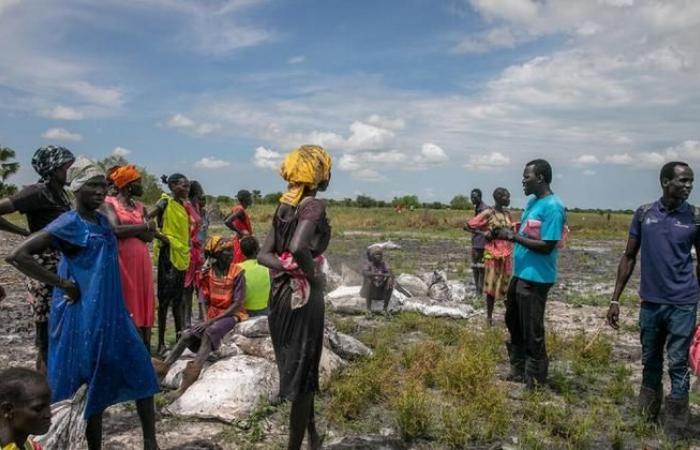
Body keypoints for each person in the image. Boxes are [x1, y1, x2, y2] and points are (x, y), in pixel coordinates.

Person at [6, 157, 159, 450]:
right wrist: (62, 283)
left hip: (112, 310)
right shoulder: (69, 223)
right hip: (83, 316)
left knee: (142, 372)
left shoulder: (102, 221)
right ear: (76, 188)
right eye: (92, 186)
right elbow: (18, 255)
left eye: (103, 185)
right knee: (90, 388)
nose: (100, 191)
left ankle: (151, 443)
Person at [607, 161, 699, 440]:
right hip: (650, 302)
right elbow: (629, 256)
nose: (688, 186)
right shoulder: (645, 214)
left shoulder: (695, 217)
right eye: (682, 181)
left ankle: (676, 425)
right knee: (650, 360)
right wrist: (615, 300)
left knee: (678, 362)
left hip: (683, 303)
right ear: (665, 182)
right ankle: (646, 415)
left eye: (691, 181)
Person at [258, 145, 331, 450]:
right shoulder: (312, 206)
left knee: (299, 367)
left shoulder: (284, 207)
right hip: (302, 298)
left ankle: (312, 435)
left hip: (279, 295)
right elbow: (301, 246)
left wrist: (287, 267)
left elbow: (263, 255)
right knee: (302, 374)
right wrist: (312, 276)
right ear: (319, 175)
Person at [153, 235, 270, 395]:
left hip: (232, 314)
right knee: (187, 335)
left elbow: (237, 303)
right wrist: (206, 319)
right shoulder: (207, 273)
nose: (230, 254)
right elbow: (203, 299)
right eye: (225, 251)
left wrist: (210, 322)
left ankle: (190, 378)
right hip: (214, 314)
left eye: (231, 250)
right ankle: (165, 366)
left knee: (209, 333)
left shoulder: (237, 272)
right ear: (216, 255)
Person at [0, 145, 75, 371]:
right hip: (41, 266)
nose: (69, 172)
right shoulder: (36, 192)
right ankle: (44, 384)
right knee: (47, 331)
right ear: (52, 169)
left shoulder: (61, 193)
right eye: (65, 167)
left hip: (59, 263)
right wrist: (23, 233)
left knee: (59, 327)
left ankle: (52, 382)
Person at [494, 160, 565, 389]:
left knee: (532, 329)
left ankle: (536, 380)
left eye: (527, 177)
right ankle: (518, 370)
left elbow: (547, 245)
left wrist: (512, 238)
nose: (523, 181)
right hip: (521, 273)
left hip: (537, 278)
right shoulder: (533, 202)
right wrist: (508, 232)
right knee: (513, 320)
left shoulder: (553, 207)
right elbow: (527, 231)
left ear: (540, 178)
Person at [101, 165, 157, 352]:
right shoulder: (109, 203)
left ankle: (144, 348)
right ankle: (127, 346)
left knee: (143, 300)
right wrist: (143, 227)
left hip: (141, 261)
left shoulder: (140, 206)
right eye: (139, 183)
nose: (142, 186)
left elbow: (150, 236)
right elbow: (116, 230)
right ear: (128, 185)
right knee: (128, 299)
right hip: (122, 261)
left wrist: (140, 229)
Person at [148, 173, 191, 356]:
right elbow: (148, 220)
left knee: (178, 299)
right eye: (183, 186)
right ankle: (161, 344)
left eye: (188, 187)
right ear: (172, 186)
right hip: (168, 256)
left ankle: (181, 339)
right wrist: (163, 238)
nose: (186, 190)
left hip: (180, 254)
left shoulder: (182, 205)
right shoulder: (164, 202)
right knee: (165, 301)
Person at [466, 188, 514, 326]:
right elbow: (468, 226)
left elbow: (510, 230)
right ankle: (489, 318)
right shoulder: (488, 213)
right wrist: (484, 234)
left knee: (505, 285)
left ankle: (510, 318)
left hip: (506, 254)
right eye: (506, 196)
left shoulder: (507, 214)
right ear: (499, 198)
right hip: (492, 254)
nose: (509, 199)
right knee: (491, 287)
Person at [0, 367, 51, 450]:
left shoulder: (29, 445)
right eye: (38, 409)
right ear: (8, 410)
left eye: (48, 406)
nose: (49, 414)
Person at [183, 181, 205, 329]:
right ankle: (186, 320)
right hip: (189, 249)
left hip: (197, 251)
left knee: (200, 283)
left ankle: (201, 317)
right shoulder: (185, 206)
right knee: (188, 286)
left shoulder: (195, 207)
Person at [360, 246, 394, 315]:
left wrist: (390, 278)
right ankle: (368, 310)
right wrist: (380, 275)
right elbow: (365, 273)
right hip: (368, 292)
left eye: (380, 254)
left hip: (380, 293)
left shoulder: (384, 264)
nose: (379, 256)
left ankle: (384, 309)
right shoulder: (368, 264)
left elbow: (391, 273)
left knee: (390, 282)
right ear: (372, 256)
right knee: (369, 280)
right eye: (376, 254)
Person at [224, 189, 253, 263]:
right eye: (249, 197)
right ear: (245, 199)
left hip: (240, 239)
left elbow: (225, 219)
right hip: (243, 240)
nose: (251, 199)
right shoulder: (240, 210)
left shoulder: (236, 208)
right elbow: (227, 221)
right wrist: (240, 232)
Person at [469, 188, 489, 297]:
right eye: (471, 197)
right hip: (476, 241)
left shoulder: (484, 210)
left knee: (480, 268)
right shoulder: (477, 208)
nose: (472, 199)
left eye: (474, 197)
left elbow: (481, 226)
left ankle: (479, 292)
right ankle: (478, 290)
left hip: (481, 243)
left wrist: (472, 229)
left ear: (480, 197)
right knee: (475, 267)